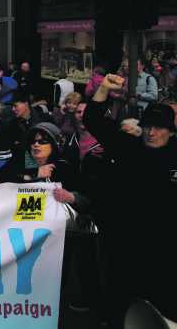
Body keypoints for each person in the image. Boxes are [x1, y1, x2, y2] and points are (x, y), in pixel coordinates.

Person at [83, 74, 177, 324]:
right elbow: (92, 119)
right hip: (125, 246)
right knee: (120, 306)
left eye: (158, 128)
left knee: (163, 309)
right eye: (147, 126)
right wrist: (103, 88)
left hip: (166, 250)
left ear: (171, 131)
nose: (151, 132)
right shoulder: (128, 147)